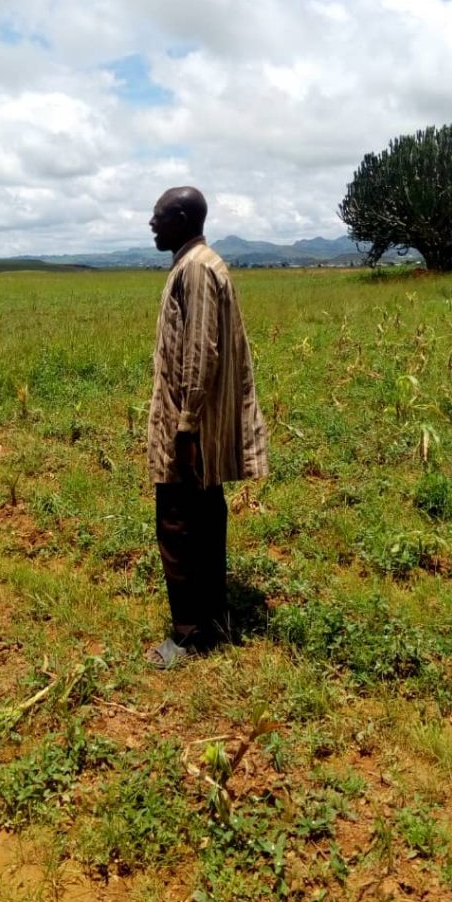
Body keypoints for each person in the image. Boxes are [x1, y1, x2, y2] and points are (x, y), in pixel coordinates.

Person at [146, 186, 268, 666]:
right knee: (206, 517)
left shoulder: (195, 267)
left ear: (180, 217)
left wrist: (186, 424)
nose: (151, 224)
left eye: (158, 216)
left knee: (178, 524)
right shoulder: (202, 262)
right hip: (198, 425)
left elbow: (200, 351)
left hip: (189, 428)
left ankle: (190, 632)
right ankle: (215, 616)